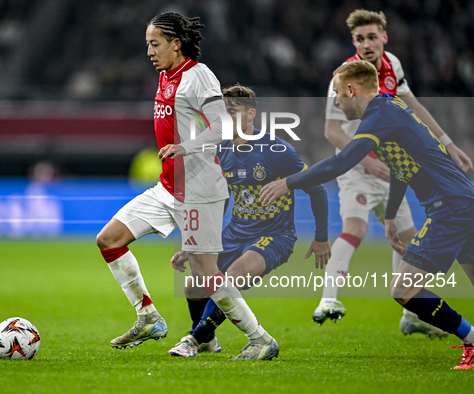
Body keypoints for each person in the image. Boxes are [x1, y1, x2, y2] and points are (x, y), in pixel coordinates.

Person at [260, 59, 474, 370]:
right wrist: (390, 216)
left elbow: (340, 163)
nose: (335, 101)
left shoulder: (379, 115)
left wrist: (287, 182)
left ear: (351, 89)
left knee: (404, 290)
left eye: (337, 93)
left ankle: (470, 340)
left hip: (450, 207)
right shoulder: (391, 108)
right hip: (463, 200)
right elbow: (402, 167)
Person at [97, 12, 278, 360]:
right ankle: (148, 316)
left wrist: (186, 146)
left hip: (200, 189)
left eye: (155, 44)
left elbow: (221, 127)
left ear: (176, 44)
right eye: (147, 44)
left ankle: (260, 339)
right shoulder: (166, 76)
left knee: (204, 275)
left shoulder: (198, 76)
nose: (149, 51)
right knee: (109, 239)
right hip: (168, 188)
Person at [315, 9, 472, 338]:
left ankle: (412, 315)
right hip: (357, 164)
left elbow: (414, 107)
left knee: (406, 237)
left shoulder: (392, 66)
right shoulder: (343, 79)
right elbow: (332, 130)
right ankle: (327, 300)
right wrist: (367, 161)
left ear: (384, 37)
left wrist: (448, 143)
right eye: (359, 39)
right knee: (355, 228)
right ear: (353, 42)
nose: (367, 44)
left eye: (372, 37)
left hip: (395, 164)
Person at [167, 84, 331, 358]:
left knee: (232, 278)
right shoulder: (221, 153)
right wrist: (199, 242)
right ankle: (207, 339)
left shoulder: (276, 150)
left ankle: (193, 340)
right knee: (194, 283)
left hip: (275, 235)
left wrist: (322, 236)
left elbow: (316, 187)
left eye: (233, 111)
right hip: (235, 232)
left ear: (251, 114)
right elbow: (221, 199)